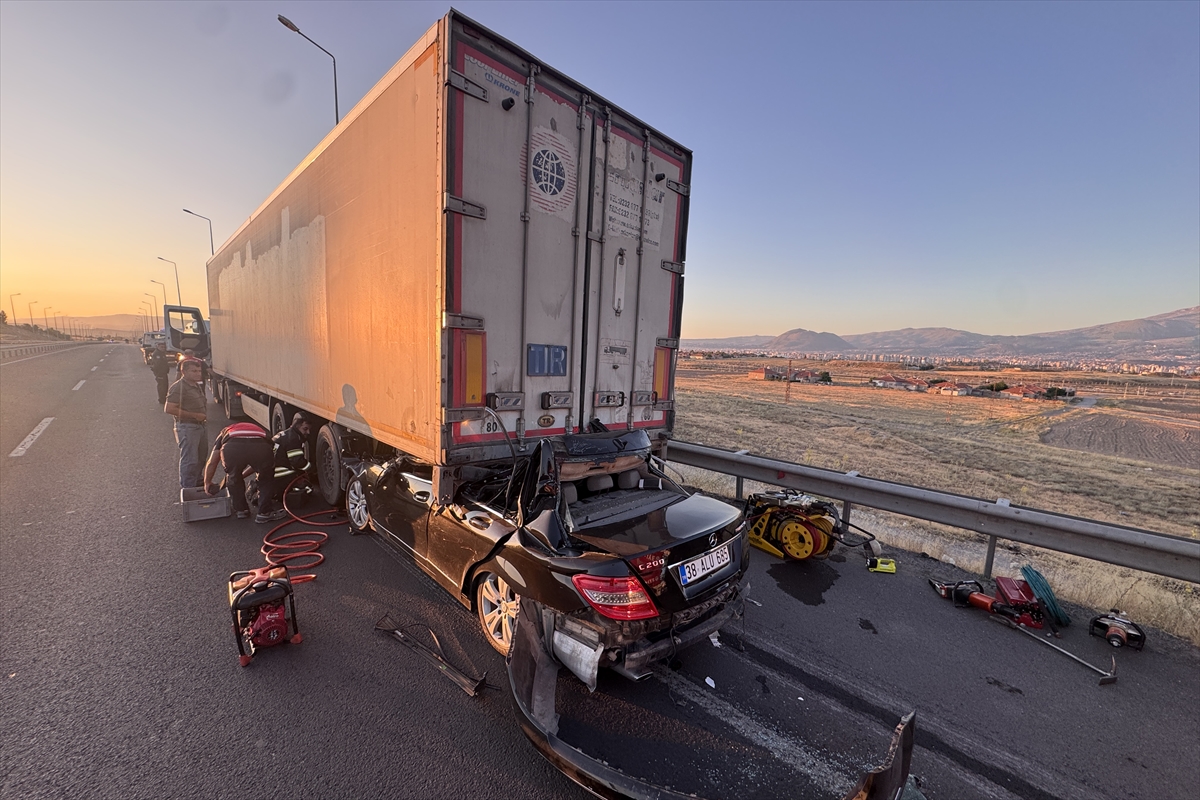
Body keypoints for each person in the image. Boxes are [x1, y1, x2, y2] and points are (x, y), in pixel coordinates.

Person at [204, 422, 286, 522]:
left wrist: (207, 482)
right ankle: (265, 513)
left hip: (232, 449)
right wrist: (262, 471)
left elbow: (212, 462)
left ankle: (241, 510)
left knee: (233, 477)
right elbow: (261, 463)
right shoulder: (261, 431)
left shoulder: (225, 432)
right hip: (261, 447)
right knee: (266, 478)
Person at [164, 358, 209, 489]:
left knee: (201, 457)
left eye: (199, 371)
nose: (198, 374)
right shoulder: (178, 387)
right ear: (184, 371)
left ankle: (197, 481)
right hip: (187, 427)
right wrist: (194, 415)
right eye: (194, 371)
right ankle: (188, 488)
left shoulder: (196, 385)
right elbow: (169, 408)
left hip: (200, 426)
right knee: (190, 460)